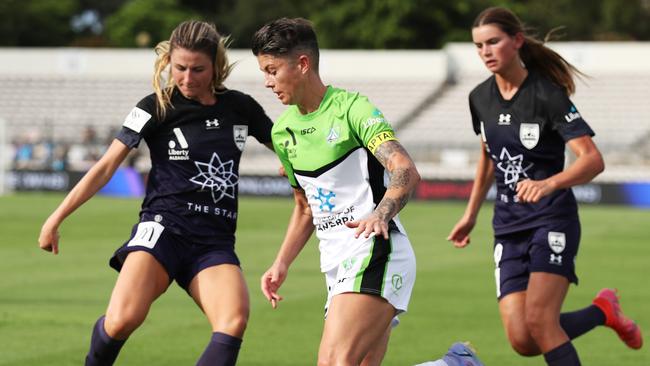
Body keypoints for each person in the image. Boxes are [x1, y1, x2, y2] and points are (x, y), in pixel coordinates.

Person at [38, 20, 274, 366]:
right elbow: (105, 166)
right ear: (168, 63)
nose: (188, 78)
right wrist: (55, 218)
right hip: (163, 230)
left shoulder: (241, 107)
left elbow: (288, 149)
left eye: (198, 69)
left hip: (213, 242)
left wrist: (290, 162)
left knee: (233, 321)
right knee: (122, 320)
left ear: (216, 66)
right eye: (180, 68)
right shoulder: (155, 106)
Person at [447, 6, 643, 366]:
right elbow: (488, 156)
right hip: (507, 225)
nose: (486, 52)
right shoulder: (479, 98)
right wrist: (470, 213)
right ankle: (603, 311)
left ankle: (601, 311)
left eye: (494, 42)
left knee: (540, 320)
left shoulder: (547, 95)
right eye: (478, 46)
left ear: (517, 41)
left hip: (551, 220)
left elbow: (592, 159)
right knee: (523, 339)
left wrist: (550, 183)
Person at [251, 18, 420, 366]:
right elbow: (305, 207)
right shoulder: (283, 131)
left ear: (302, 64)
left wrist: (380, 213)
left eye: (272, 70)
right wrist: (281, 263)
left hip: (375, 251)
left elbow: (403, 168)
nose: (267, 82)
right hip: (336, 265)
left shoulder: (351, 109)